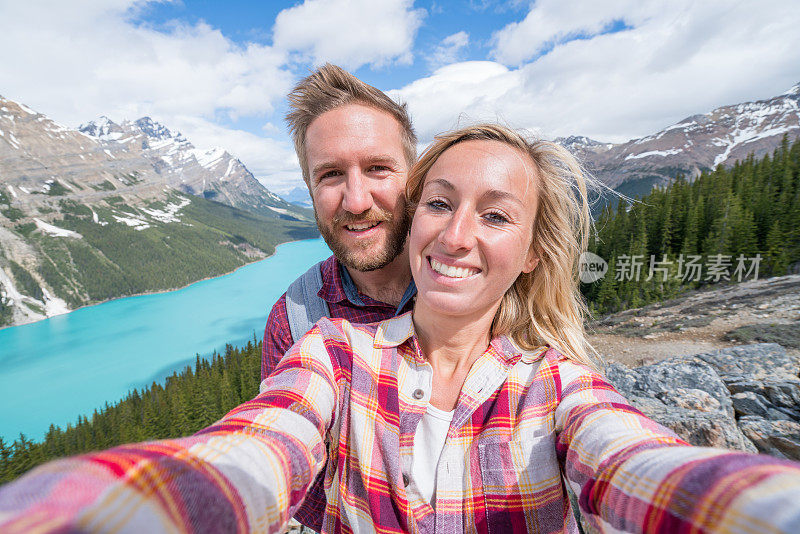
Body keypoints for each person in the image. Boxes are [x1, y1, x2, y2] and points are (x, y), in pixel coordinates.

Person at [2, 124, 800, 533]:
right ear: (413, 218)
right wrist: (84, 511)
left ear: (529, 255)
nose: (457, 237)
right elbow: (257, 448)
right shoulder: (332, 354)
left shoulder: (557, 386)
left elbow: (643, 468)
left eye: (495, 216)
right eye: (441, 202)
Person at [263, 64, 418, 531]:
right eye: (330, 175)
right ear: (309, 189)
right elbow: (297, 479)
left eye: (377, 169)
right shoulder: (294, 319)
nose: (355, 200)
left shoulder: (480, 283)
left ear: (416, 175)